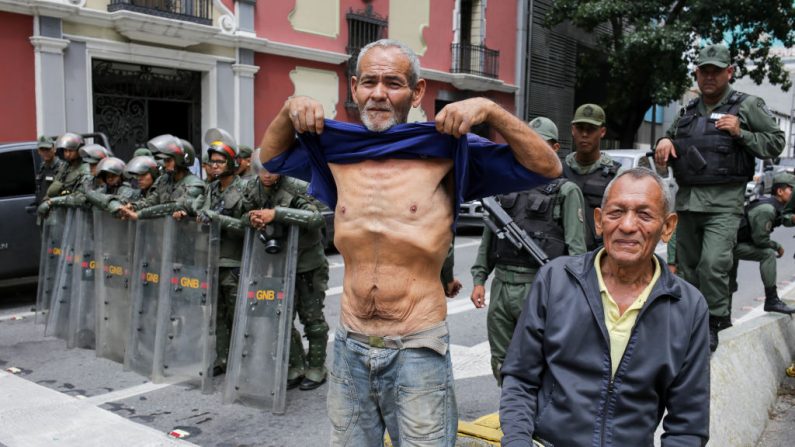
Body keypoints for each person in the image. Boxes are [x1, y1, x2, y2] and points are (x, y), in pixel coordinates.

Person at [258, 38, 560, 446]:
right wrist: (287, 110)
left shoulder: (447, 150)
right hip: (350, 344)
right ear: (354, 88)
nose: (379, 93)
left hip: (417, 346)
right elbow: (271, 159)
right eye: (369, 82)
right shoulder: (336, 149)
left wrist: (491, 110)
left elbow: (546, 166)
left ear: (417, 92)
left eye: (393, 83)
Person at [500, 168, 710, 447]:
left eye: (644, 215)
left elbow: (688, 423)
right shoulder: (556, 279)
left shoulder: (688, 306)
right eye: (616, 212)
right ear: (599, 221)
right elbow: (520, 377)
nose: (627, 225)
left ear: (668, 227)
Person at [654, 43, 785, 351]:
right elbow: (670, 138)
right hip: (687, 202)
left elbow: (776, 142)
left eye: (716, 71)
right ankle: (688, 320)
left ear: (729, 72)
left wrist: (742, 132)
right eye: (704, 71)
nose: (709, 77)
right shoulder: (687, 110)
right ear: (697, 74)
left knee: (713, 265)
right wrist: (662, 142)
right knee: (685, 269)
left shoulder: (747, 105)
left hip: (724, 204)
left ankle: (716, 321)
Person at [470, 116, 586, 384]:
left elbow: (576, 252)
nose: (529, 151)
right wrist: (479, 279)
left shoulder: (566, 191)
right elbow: (489, 237)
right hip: (501, 285)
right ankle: (511, 413)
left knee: (538, 360)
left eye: (539, 145)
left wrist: (572, 297)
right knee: (500, 359)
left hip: (539, 286)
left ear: (554, 148)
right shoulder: (505, 184)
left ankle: (538, 420)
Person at [241, 167, 330, 390]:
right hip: (276, 262)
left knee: (312, 319)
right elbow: (242, 214)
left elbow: (316, 218)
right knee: (280, 317)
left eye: (271, 170)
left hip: (307, 262)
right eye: (262, 169)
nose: (267, 174)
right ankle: (296, 365)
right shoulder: (253, 188)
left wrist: (277, 214)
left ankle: (317, 368)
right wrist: (253, 219)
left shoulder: (297, 186)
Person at [193, 131, 249, 375]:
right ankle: (223, 358)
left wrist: (216, 218)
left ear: (233, 164)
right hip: (212, 259)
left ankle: (243, 361)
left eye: (220, 162)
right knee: (217, 315)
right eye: (212, 162)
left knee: (239, 316)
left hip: (234, 261)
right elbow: (201, 210)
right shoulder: (211, 189)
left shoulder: (245, 188)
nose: (214, 166)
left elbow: (245, 226)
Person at [730, 172, 795, 314]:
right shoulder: (767, 209)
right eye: (791, 190)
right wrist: (777, 246)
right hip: (730, 246)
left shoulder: (775, 205)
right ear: (780, 191)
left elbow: (784, 219)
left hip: (735, 243)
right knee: (767, 254)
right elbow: (760, 240)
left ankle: (724, 321)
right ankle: (772, 300)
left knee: (729, 286)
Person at [562, 103, 621, 251]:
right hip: (562, 257)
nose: (584, 134)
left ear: (602, 132)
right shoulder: (558, 171)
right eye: (580, 128)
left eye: (591, 129)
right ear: (572, 130)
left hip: (600, 255)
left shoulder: (617, 176)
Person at [118, 135, 205, 221]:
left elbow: (176, 206)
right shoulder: (163, 180)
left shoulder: (195, 184)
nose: (165, 164)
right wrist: (133, 207)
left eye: (168, 160)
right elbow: (151, 201)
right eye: (164, 160)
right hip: (163, 232)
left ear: (180, 160)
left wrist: (139, 215)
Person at [46, 132, 87, 198]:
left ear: (79, 150)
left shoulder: (86, 168)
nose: (67, 154)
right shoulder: (65, 167)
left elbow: (83, 195)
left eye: (71, 151)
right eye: (65, 151)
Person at [34, 135, 66, 205]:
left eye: (48, 149)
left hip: (56, 210)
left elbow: (66, 193)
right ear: (39, 151)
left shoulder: (62, 167)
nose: (45, 152)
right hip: (43, 210)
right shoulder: (42, 167)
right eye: (42, 150)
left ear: (54, 149)